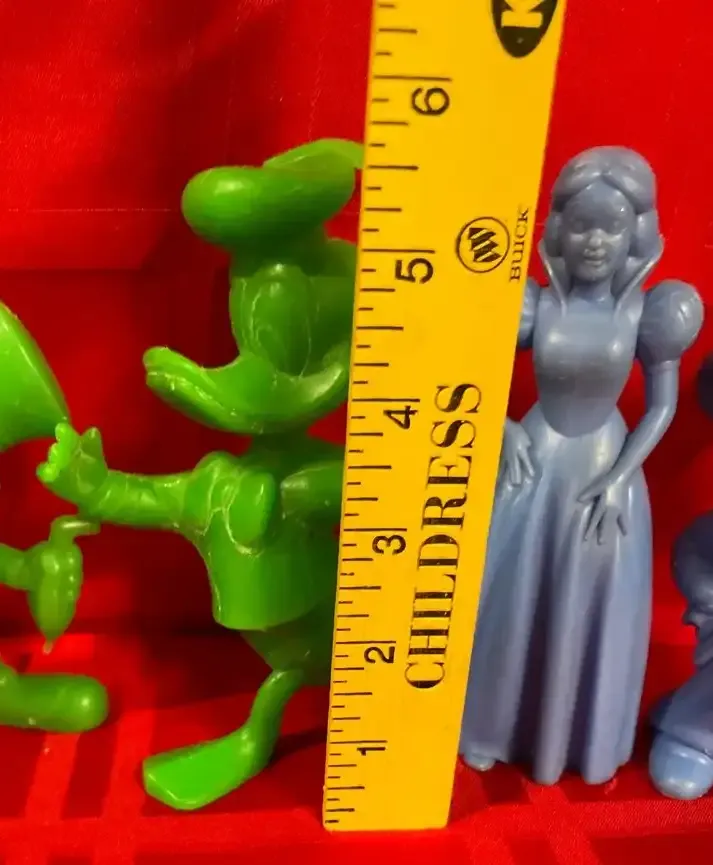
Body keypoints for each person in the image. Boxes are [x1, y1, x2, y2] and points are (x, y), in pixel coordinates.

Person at [459, 146, 703, 785]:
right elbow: (475, 368)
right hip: (534, 463)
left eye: (611, 228)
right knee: (509, 599)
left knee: (588, 599)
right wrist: (501, 426)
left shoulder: (649, 313)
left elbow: (662, 406)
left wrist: (619, 477)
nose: (595, 242)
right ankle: (489, 728)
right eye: (583, 225)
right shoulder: (533, 304)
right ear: (559, 230)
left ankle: (576, 741)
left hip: (601, 468)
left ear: (635, 236)